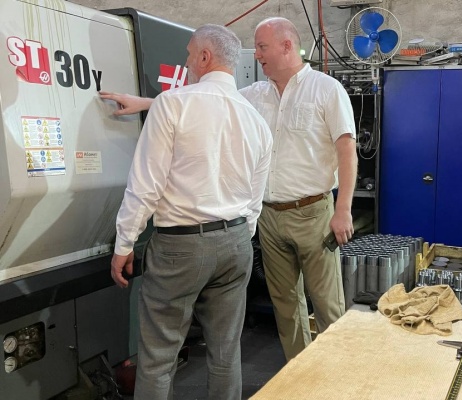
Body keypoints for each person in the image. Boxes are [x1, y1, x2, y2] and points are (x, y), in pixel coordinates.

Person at [102, 17, 357, 362]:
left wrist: (343, 210)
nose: (258, 55)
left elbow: (347, 149)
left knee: (327, 304)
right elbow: (205, 101)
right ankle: (298, 374)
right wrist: (145, 103)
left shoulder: (326, 89)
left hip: (313, 213)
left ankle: (339, 378)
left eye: (262, 47)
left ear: (286, 46)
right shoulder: (254, 95)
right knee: (285, 305)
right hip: (269, 216)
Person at [108, 24, 272, 400]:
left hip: (180, 247)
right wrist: (234, 235)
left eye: (188, 54)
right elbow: (255, 198)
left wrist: (124, 243)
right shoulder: (255, 120)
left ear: (204, 56)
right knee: (226, 353)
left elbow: (146, 186)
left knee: (158, 357)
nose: (186, 62)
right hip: (236, 243)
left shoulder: (173, 104)